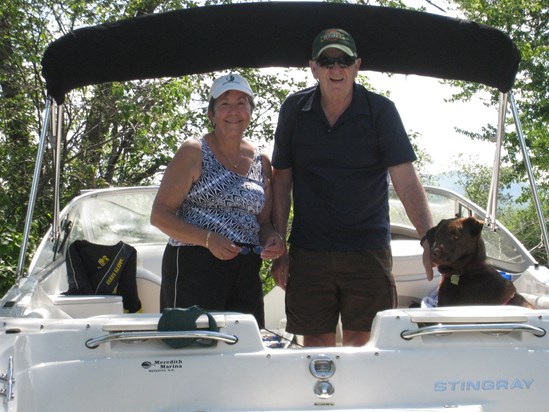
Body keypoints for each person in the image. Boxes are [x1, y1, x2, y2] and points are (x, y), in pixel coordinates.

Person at [271, 28, 434, 347]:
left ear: (357, 65)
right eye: (327, 61)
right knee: (316, 345)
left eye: (344, 60)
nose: (336, 69)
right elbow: (281, 179)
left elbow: (405, 179)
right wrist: (280, 244)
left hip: (367, 249)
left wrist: (428, 238)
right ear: (313, 67)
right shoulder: (293, 109)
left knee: (365, 344)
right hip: (309, 250)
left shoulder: (380, 111)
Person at [151, 73, 285, 328]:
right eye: (224, 103)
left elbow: (262, 222)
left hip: (245, 268)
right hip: (193, 265)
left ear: (250, 111)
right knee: (192, 348)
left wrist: (272, 239)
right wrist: (209, 240)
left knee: (244, 348)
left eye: (241, 102)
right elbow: (159, 215)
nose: (233, 110)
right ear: (211, 114)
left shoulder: (262, 161)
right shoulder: (193, 151)